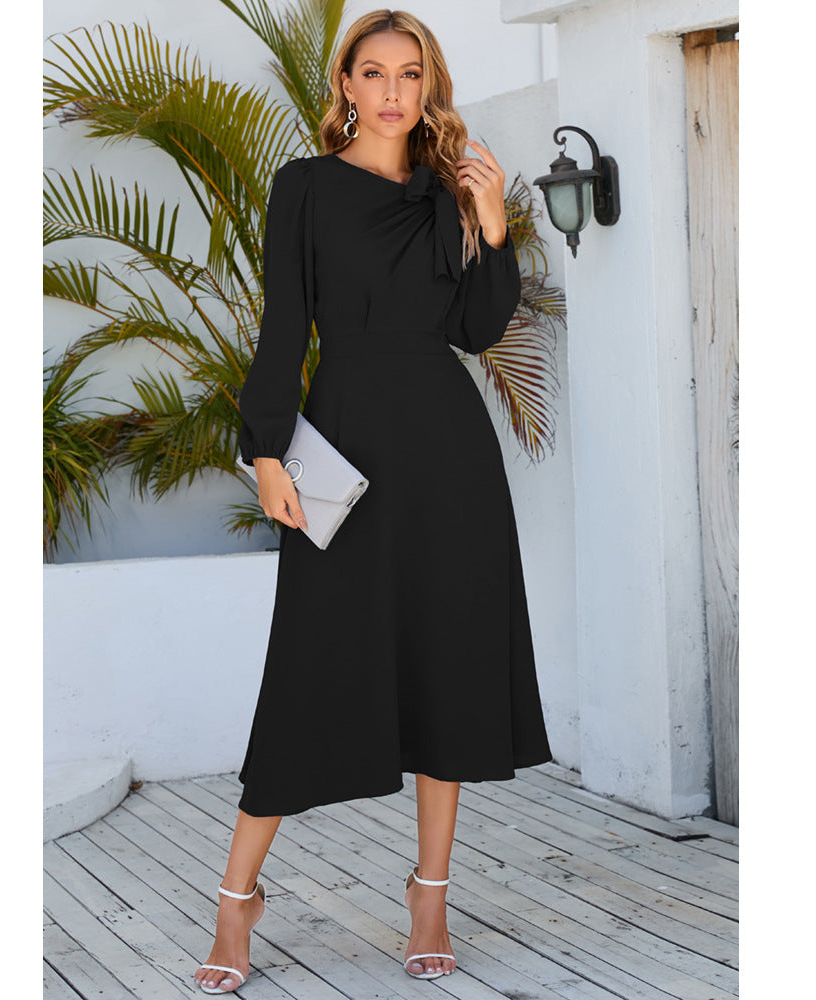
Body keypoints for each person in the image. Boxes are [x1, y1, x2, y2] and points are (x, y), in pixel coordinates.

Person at [195, 8, 553, 994]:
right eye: (374, 72)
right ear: (345, 85)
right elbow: (282, 328)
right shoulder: (304, 188)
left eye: (410, 73)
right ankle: (235, 900)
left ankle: (429, 895)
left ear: (427, 85)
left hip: (448, 454)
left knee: (447, 663)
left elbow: (477, 330)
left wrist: (491, 224)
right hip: (341, 442)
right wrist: (266, 450)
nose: (393, 91)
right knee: (308, 664)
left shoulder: (448, 192)